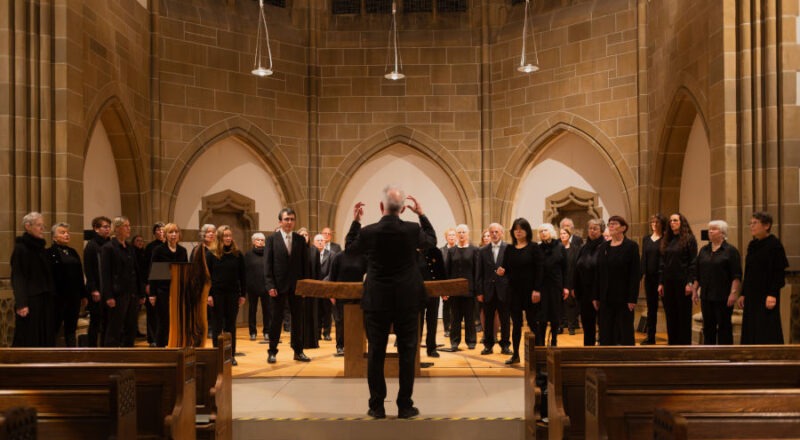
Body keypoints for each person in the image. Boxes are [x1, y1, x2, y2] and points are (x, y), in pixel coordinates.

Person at [345, 185, 436, 419]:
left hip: (377, 299)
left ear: (381, 207)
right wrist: (422, 214)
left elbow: (349, 250)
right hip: (407, 299)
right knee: (408, 352)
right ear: (404, 208)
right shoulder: (413, 229)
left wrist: (356, 221)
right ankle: (405, 405)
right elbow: (432, 241)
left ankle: (377, 406)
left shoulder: (368, 232)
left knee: (376, 352)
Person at [265, 208, 311, 364]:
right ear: (280, 221)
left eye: (292, 219)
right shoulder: (272, 239)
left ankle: (298, 351)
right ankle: (272, 351)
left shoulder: (299, 240)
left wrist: (305, 286)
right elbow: (268, 265)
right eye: (286, 219)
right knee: (275, 320)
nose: (289, 222)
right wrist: (270, 284)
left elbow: (306, 265)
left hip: (297, 287)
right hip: (277, 286)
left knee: (298, 320)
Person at [738, 211, 788, 344]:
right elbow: (748, 272)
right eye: (751, 223)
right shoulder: (752, 245)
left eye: (755, 223)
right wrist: (743, 293)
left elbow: (778, 273)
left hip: (766, 295)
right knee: (751, 327)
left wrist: (772, 294)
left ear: (767, 225)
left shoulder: (775, 245)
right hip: (751, 294)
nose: (751, 226)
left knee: (765, 328)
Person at [691, 220, 741, 345]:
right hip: (707, 295)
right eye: (709, 229)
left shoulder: (730, 251)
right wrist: (694, 291)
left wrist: (733, 293)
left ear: (722, 233)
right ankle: (709, 355)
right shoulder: (704, 250)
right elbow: (697, 273)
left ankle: (725, 356)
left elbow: (736, 275)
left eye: (714, 229)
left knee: (724, 327)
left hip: (723, 296)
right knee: (708, 327)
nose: (710, 231)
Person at [11, 212, 56, 347]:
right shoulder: (21, 248)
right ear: (27, 226)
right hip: (30, 300)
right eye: (38, 225)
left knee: (45, 335)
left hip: (45, 298)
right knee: (29, 336)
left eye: (43, 225)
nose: (42, 228)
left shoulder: (41, 248)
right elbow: (18, 277)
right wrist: (21, 303)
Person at [594, 215, 640, 346]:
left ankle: (627, 361)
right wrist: (596, 296)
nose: (611, 226)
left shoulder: (631, 246)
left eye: (614, 223)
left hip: (624, 297)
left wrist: (632, 298)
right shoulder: (603, 247)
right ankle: (607, 360)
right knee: (606, 330)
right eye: (609, 224)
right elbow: (599, 273)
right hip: (605, 296)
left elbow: (634, 274)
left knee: (624, 331)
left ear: (623, 228)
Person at [503, 218, 543, 364]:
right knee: (516, 324)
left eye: (521, 229)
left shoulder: (534, 248)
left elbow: (540, 270)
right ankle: (515, 355)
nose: (518, 231)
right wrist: (502, 271)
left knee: (533, 323)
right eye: (516, 229)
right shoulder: (509, 249)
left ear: (527, 231)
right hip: (514, 292)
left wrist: (537, 290)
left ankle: (538, 355)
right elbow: (505, 267)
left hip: (530, 292)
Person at [101, 217, 145, 347]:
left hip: (132, 293)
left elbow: (136, 272)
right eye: (126, 226)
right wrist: (109, 296)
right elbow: (105, 274)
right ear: (117, 228)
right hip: (117, 294)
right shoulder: (108, 247)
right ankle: (111, 358)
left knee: (131, 328)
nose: (129, 228)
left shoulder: (130, 248)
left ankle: (128, 355)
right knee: (115, 328)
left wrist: (141, 293)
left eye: (129, 225)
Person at [207, 225, 246, 365]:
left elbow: (243, 276)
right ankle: (217, 355)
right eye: (225, 236)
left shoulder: (237, 254)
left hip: (233, 294)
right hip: (216, 295)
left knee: (231, 327)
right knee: (217, 326)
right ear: (219, 237)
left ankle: (231, 355)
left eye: (230, 235)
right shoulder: (211, 254)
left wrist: (243, 295)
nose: (228, 238)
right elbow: (207, 277)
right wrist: (208, 295)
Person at [658, 213, 698, 345]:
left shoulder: (689, 239)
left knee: (683, 315)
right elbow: (662, 263)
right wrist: (661, 282)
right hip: (668, 282)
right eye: (670, 221)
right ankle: (672, 344)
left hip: (683, 282)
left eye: (675, 220)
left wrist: (690, 282)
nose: (672, 223)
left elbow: (693, 262)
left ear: (682, 222)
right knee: (671, 314)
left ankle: (684, 346)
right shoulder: (667, 239)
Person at [47, 222, 88, 347]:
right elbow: (49, 277)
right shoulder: (49, 253)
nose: (66, 235)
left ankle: (72, 353)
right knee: (54, 326)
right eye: (62, 232)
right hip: (57, 297)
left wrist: (83, 294)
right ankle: (51, 354)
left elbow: (79, 274)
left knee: (71, 327)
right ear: (54, 237)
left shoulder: (73, 252)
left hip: (73, 297)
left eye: (67, 233)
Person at [149, 223, 188, 347]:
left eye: (176, 232)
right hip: (163, 290)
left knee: (177, 320)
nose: (174, 235)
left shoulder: (183, 251)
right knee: (163, 321)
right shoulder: (159, 250)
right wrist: (152, 294)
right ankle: (161, 348)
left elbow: (185, 272)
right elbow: (154, 272)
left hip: (178, 291)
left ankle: (175, 346)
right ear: (165, 235)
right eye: (171, 232)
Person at [477, 223, 511, 355]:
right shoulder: (482, 250)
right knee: (489, 319)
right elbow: (479, 273)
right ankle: (488, 345)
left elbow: (513, 270)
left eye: (497, 232)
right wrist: (479, 291)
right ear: (489, 234)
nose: (494, 234)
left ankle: (505, 345)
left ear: (502, 233)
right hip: (488, 291)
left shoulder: (508, 248)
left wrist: (506, 271)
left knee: (505, 320)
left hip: (504, 291)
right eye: (492, 232)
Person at [444, 224, 479, 351]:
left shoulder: (474, 250)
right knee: (455, 318)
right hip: (454, 290)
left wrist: (476, 289)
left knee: (470, 317)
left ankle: (471, 341)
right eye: (459, 232)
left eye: (464, 232)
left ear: (468, 233)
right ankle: (454, 341)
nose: (461, 234)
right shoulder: (452, 251)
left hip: (469, 290)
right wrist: (446, 290)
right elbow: (447, 271)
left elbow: (477, 271)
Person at [329, 247, 367, 356]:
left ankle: (356, 345)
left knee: (357, 321)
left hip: (357, 294)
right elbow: (332, 276)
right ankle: (340, 346)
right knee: (341, 321)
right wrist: (332, 293)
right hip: (341, 294)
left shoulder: (363, 257)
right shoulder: (339, 257)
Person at [573, 219, 604, 346]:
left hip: (599, 291)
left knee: (603, 325)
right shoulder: (583, 248)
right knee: (587, 325)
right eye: (590, 228)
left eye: (595, 228)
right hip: (584, 292)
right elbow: (576, 267)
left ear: (601, 230)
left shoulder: (605, 246)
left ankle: (603, 353)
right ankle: (588, 352)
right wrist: (575, 287)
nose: (592, 231)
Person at [536, 223, 568, 346]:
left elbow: (565, 268)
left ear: (551, 232)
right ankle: (541, 342)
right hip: (542, 286)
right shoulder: (537, 249)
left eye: (545, 230)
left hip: (556, 286)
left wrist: (566, 287)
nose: (543, 233)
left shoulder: (560, 247)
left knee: (555, 315)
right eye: (541, 231)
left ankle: (554, 340)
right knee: (542, 316)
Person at [84, 216, 111, 347]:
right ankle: (92, 349)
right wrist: (94, 289)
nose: (108, 229)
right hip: (96, 290)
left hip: (108, 290)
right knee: (95, 322)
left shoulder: (109, 244)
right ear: (96, 228)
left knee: (108, 321)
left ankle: (106, 349)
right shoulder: (91, 245)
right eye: (105, 227)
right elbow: (89, 270)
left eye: (109, 227)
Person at [639, 214, 666, 345]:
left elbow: (664, 260)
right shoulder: (646, 239)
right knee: (651, 308)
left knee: (667, 307)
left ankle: (672, 336)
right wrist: (641, 275)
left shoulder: (665, 239)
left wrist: (661, 281)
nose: (654, 224)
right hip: (649, 278)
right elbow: (643, 257)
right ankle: (651, 337)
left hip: (662, 278)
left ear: (662, 224)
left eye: (657, 222)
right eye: (652, 222)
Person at [418, 245, 445, 358]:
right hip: (417, 292)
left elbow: (441, 270)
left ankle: (431, 348)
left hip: (434, 292)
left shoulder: (435, 251)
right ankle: (415, 348)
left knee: (432, 321)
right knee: (417, 322)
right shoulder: (412, 250)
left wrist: (444, 289)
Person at [143, 222, 165, 346]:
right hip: (153, 282)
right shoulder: (151, 247)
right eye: (158, 230)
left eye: (163, 230)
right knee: (152, 312)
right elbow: (148, 267)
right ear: (154, 233)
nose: (161, 232)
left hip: (164, 284)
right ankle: (153, 337)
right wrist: (148, 283)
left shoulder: (169, 246)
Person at [245, 232, 270, 341]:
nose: (260, 242)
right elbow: (245, 270)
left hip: (266, 286)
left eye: (262, 240)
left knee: (267, 311)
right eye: (258, 240)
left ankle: (267, 332)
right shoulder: (248, 254)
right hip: (252, 286)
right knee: (252, 310)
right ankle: (252, 332)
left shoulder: (268, 253)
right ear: (253, 241)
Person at [558, 225, 580, 335]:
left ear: (569, 235)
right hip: (559, 281)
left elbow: (576, 267)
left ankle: (571, 326)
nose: (563, 236)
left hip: (571, 280)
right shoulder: (556, 248)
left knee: (570, 304)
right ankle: (560, 326)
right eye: (561, 234)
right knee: (559, 305)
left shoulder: (575, 249)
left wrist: (574, 284)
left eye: (565, 234)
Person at [440, 228, 457, 338]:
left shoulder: (459, 249)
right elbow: (440, 269)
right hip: (446, 282)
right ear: (446, 237)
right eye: (449, 235)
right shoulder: (441, 251)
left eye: (453, 235)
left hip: (456, 282)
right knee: (446, 306)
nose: (451, 237)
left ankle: (455, 328)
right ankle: (447, 328)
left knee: (456, 307)